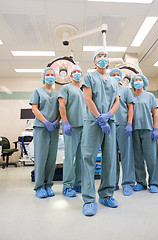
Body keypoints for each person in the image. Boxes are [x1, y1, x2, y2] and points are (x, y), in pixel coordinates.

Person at [81, 48, 120, 216]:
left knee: (110, 158)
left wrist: (109, 115)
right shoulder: (89, 77)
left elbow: (117, 102)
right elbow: (88, 99)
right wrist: (99, 118)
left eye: (105, 56)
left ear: (108, 61)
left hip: (109, 121)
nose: (103, 58)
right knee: (88, 158)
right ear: (94, 61)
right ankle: (89, 199)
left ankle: (106, 194)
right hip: (93, 122)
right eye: (99, 56)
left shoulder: (113, 81)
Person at [30, 67, 60, 198]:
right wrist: (46, 122)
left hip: (54, 128)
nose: (50, 76)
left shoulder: (57, 94)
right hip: (41, 128)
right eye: (47, 74)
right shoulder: (37, 91)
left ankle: (48, 185)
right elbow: (34, 109)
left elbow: (61, 110)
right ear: (43, 77)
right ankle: (39, 187)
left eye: (52, 74)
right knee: (41, 157)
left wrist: (56, 121)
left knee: (51, 158)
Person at [131, 74, 158, 193]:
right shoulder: (131, 96)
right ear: (132, 83)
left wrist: (155, 129)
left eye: (140, 80)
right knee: (137, 158)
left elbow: (155, 114)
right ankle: (141, 182)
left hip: (148, 129)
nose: (138, 82)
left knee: (151, 157)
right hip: (134, 130)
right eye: (136, 80)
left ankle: (154, 183)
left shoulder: (150, 96)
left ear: (144, 82)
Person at [58, 65, 84, 197]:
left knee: (81, 157)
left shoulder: (85, 90)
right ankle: (67, 185)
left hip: (85, 127)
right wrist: (65, 122)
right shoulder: (66, 88)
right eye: (74, 72)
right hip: (71, 127)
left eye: (79, 71)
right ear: (70, 75)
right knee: (70, 157)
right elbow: (62, 105)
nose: (77, 74)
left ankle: (78, 184)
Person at [109, 68, 135, 196]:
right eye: (113, 75)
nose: (115, 76)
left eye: (117, 75)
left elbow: (130, 107)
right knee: (111, 155)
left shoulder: (125, 90)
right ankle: (113, 183)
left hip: (124, 125)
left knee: (127, 155)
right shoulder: (107, 90)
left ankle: (128, 183)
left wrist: (129, 123)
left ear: (121, 77)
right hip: (110, 126)